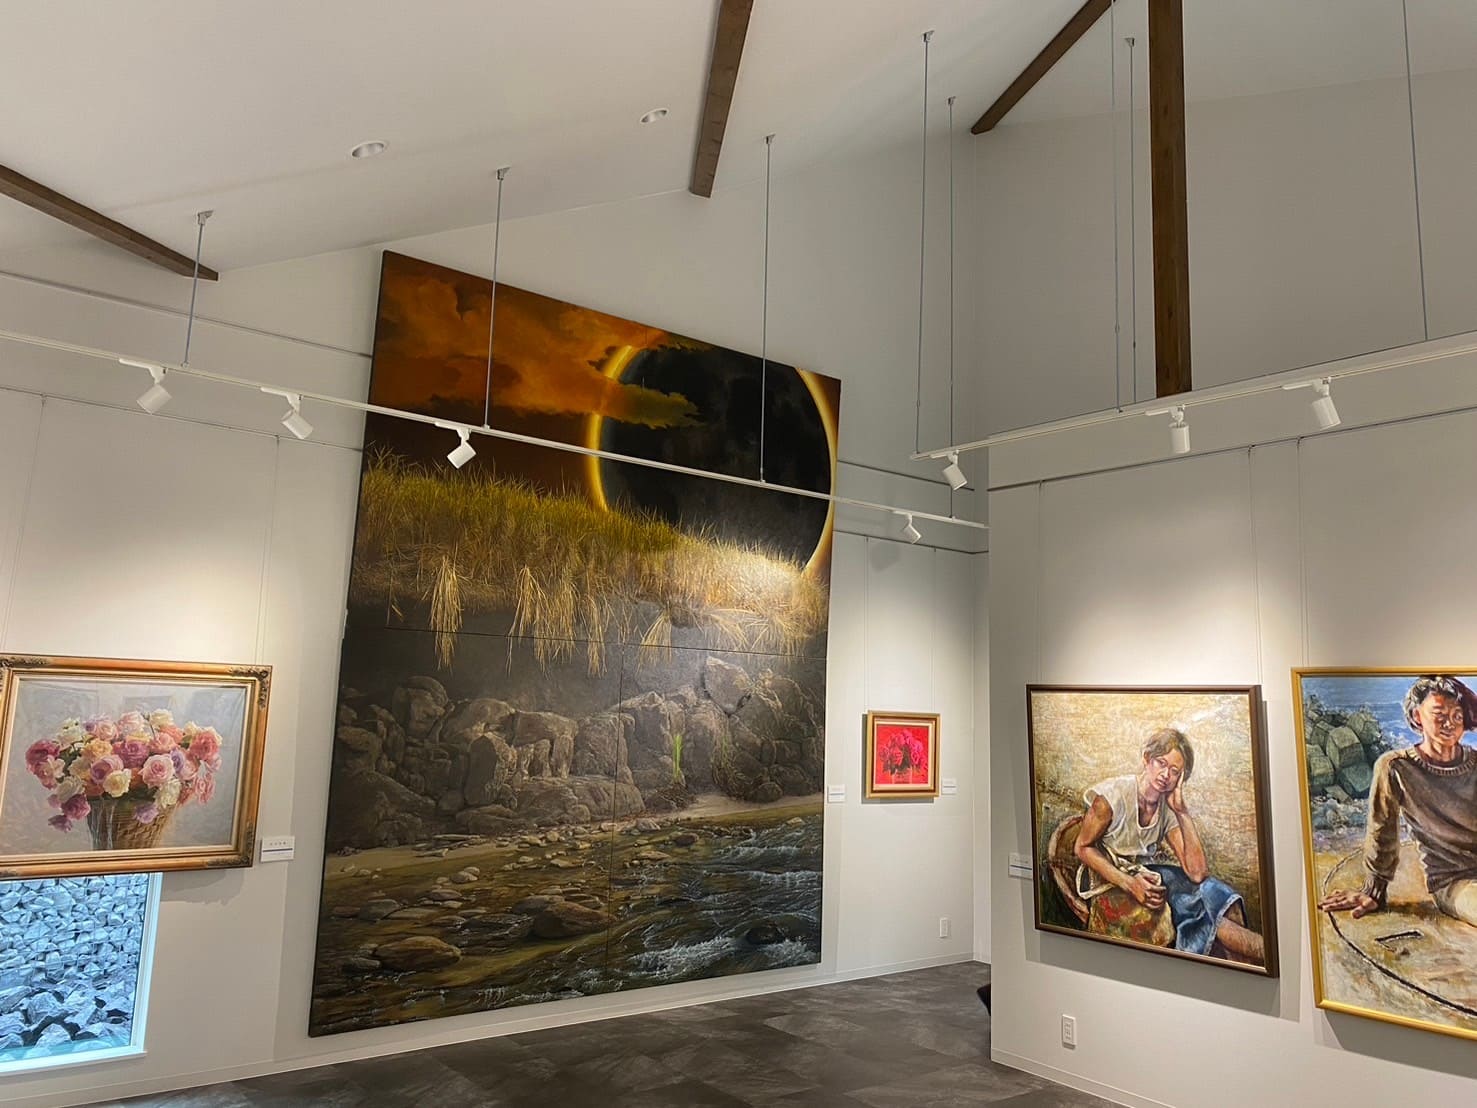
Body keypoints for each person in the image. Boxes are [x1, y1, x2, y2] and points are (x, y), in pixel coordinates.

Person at [1073, 727, 1266, 963]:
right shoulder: (1111, 797)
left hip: (1148, 874)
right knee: (1199, 910)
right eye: (1161, 763)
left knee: (1215, 892)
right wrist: (1129, 883)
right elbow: (1082, 847)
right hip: (1110, 879)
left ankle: (1254, 962)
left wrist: (1182, 811)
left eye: (1174, 771)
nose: (1165, 775)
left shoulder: (1167, 807)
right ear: (1147, 759)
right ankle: (1263, 956)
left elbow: (1197, 872)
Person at [1318, 675, 1477, 927]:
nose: (1450, 724)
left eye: (1457, 716)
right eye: (1440, 715)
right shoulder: (1396, 767)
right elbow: (1382, 831)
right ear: (1417, 716)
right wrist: (1373, 891)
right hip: (1455, 880)